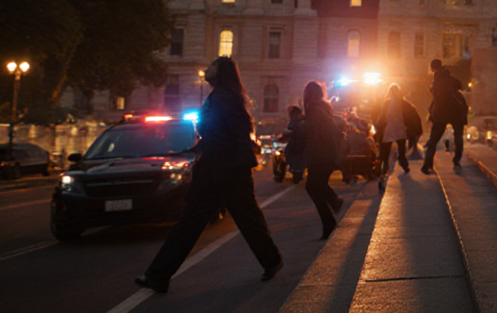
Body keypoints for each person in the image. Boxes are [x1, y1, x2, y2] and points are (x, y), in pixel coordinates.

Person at [135, 57, 284, 293]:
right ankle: (159, 274)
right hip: (212, 170)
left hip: (229, 171)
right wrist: (195, 149)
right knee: (192, 222)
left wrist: (241, 166)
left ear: (221, 72)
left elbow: (240, 133)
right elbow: (215, 135)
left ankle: (272, 260)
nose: (206, 70)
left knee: (244, 219)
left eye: (212, 66)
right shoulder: (216, 98)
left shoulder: (227, 99)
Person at [302, 81, 344, 239]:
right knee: (315, 187)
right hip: (326, 155)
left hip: (320, 156)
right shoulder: (322, 109)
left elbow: (316, 135)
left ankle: (333, 206)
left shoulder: (314, 111)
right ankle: (329, 218)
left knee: (313, 187)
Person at [421, 59, 468, 174]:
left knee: (433, 140)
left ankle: (428, 164)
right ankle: (457, 159)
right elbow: (460, 85)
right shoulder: (449, 78)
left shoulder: (437, 80)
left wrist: (433, 115)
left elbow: (437, 97)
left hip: (442, 113)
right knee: (458, 136)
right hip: (457, 111)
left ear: (432, 69)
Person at [373, 83, 421, 182]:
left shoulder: (386, 103)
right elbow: (413, 115)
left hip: (388, 131)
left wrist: (378, 127)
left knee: (385, 152)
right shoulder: (404, 103)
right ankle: (404, 166)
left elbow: (382, 118)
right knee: (401, 151)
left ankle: (384, 170)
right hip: (400, 130)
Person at [277, 105, 306, 183]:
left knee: (287, 153)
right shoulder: (302, 121)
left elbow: (289, 132)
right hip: (301, 144)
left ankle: (292, 170)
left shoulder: (296, 122)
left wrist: (282, 137)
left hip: (297, 144)